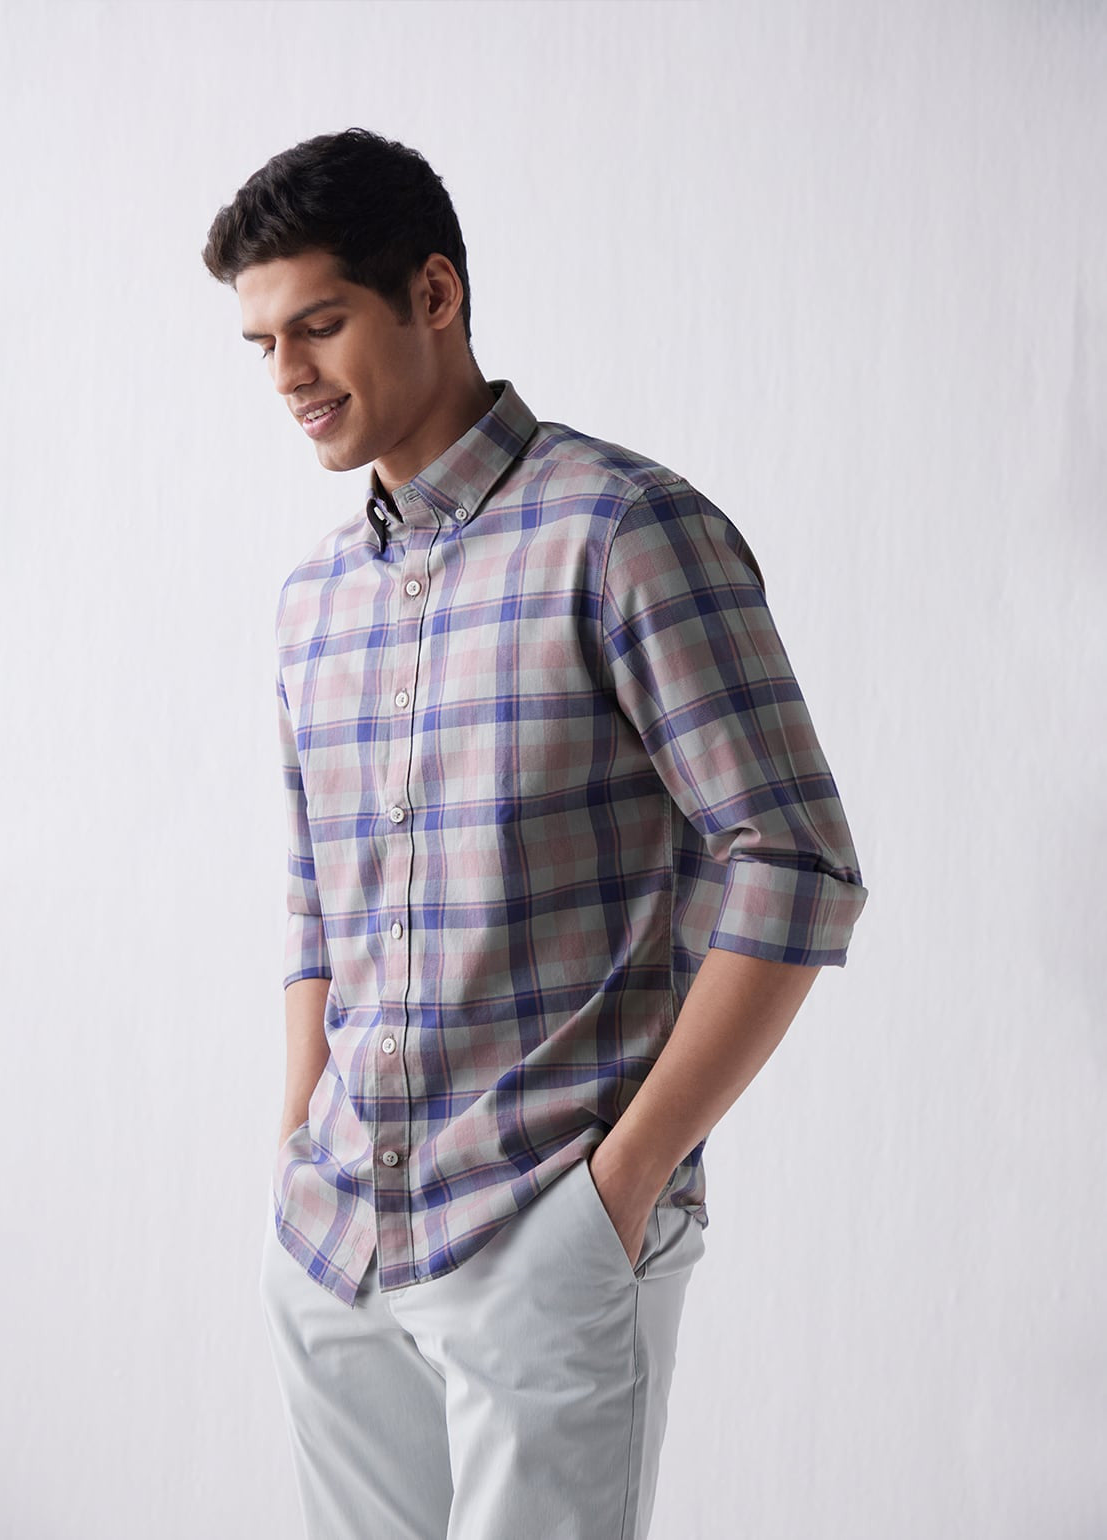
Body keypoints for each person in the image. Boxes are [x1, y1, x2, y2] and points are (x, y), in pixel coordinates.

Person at [201, 127, 868, 1540]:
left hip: (546, 1226)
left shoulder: (623, 531)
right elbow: (317, 907)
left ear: (434, 294)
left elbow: (797, 866)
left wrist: (618, 1194)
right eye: (262, 343)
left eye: (318, 324)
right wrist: (294, 1155)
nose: (287, 376)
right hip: (336, 1247)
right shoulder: (312, 601)